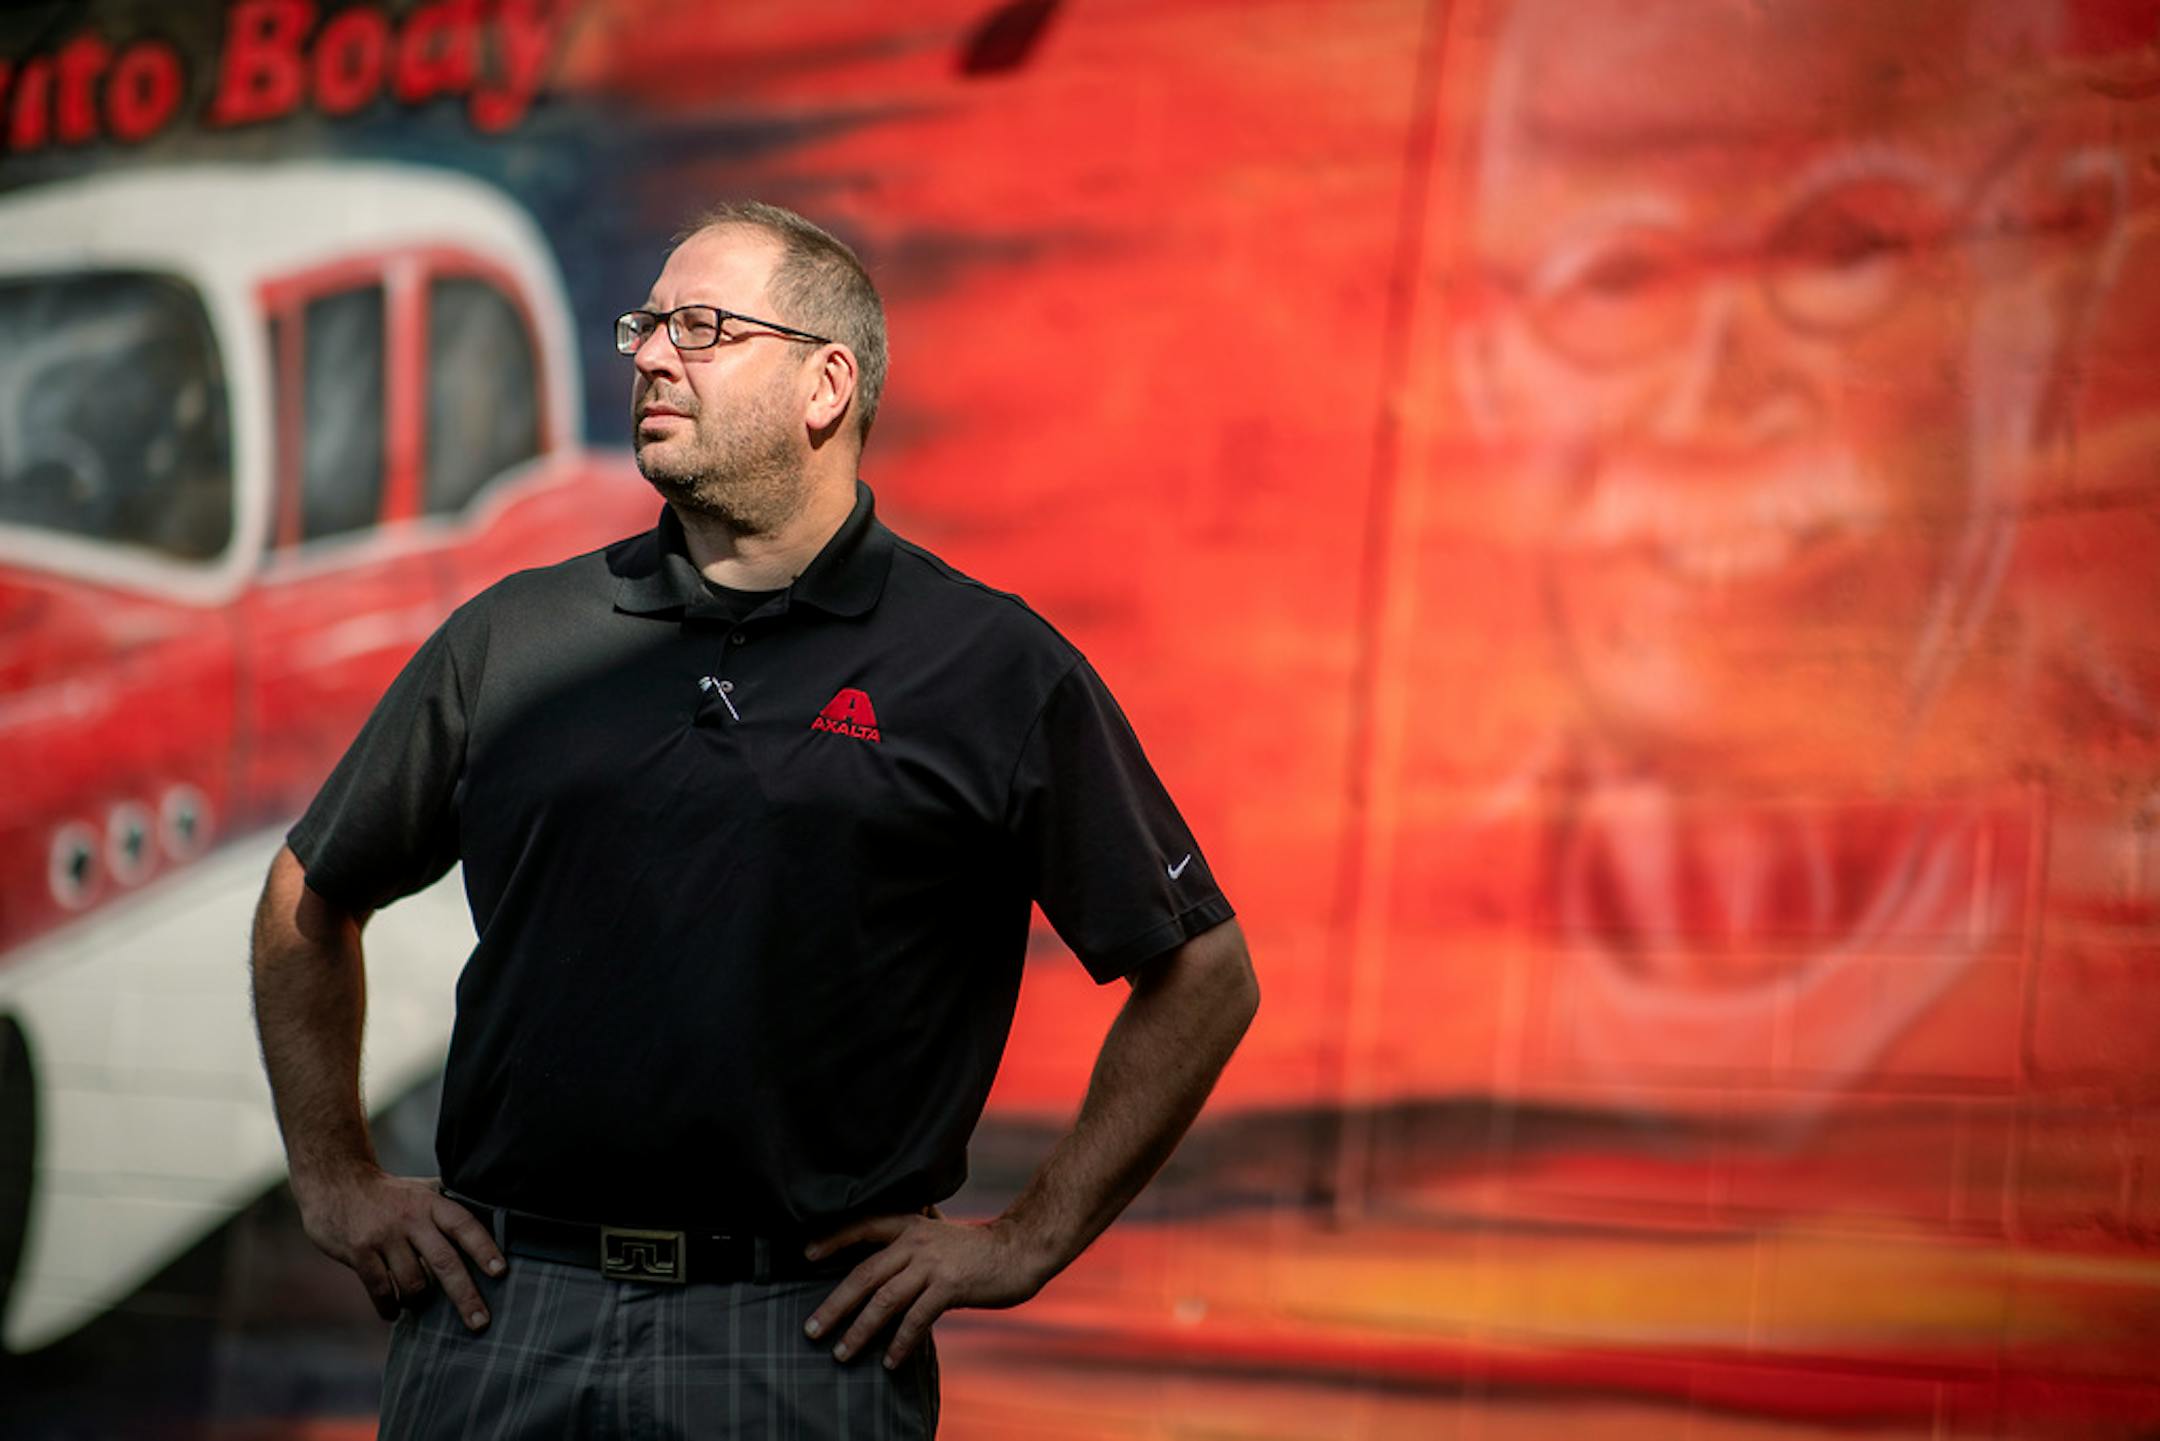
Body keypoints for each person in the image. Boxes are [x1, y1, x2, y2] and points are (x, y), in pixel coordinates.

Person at [249, 200, 1259, 1438]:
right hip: (500, 1319)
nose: (650, 355)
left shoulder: (989, 667)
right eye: (646, 325)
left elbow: (1203, 969)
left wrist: (1027, 1240)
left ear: (826, 383)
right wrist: (337, 1181)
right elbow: (307, 895)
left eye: (702, 327)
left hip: (797, 1339)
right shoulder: (516, 639)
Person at [1448, 0, 2124, 1089]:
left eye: (1845, 248)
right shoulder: (1382, 950)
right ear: (1483, 374)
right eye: (1618, 276)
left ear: (2056, 279)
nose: (1715, 390)